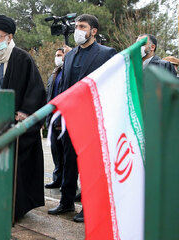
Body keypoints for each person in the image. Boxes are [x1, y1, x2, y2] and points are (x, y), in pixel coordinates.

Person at [47, 14, 117, 223]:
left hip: (94, 118)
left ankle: (90, 206)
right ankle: (66, 201)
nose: (78, 30)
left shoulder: (106, 54)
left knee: (91, 164)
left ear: (93, 31)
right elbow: (65, 87)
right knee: (69, 161)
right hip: (71, 118)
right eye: (76, 26)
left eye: (82, 26)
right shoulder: (69, 56)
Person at [0, 15, 46, 220]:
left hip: (17, 127)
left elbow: (36, 90)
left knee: (17, 170)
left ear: (9, 37)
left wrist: (24, 113)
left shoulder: (22, 58)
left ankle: (16, 209)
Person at [45, 46, 70, 189]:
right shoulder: (53, 75)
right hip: (52, 118)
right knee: (56, 152)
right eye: (56, 55)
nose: (57, 57)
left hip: (64, 118)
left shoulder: (68, 73)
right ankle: (57, 179)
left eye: (60, 55)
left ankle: (66, 182)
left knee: (66, 154)